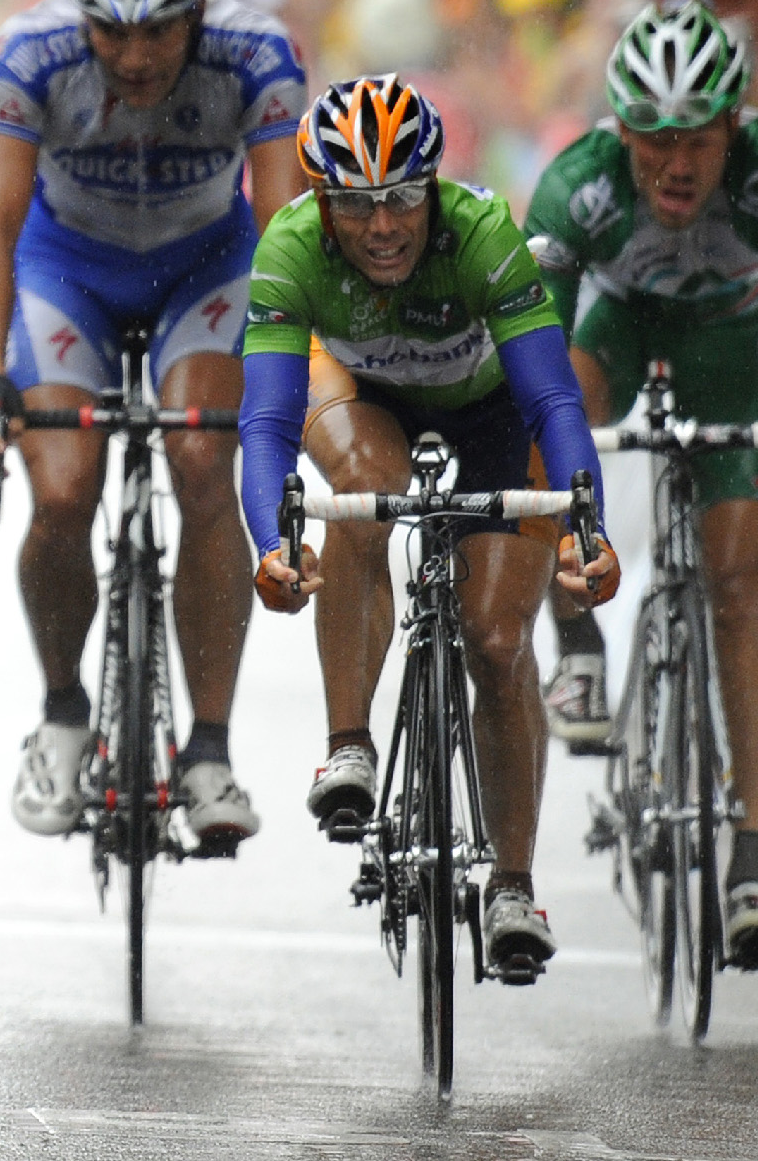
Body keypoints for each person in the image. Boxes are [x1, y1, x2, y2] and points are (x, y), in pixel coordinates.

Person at [241, 74, 621, 982]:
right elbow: (265, 424)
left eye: (403, 197)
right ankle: (349, 748)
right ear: (319, 201)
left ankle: (515, 885)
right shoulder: (290, 248)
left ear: (433, 187)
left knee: (496, 639)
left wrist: (585, 525)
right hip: (369, 402)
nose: (382, 225)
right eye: (357, 203)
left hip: (494, 410)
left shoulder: (484, 234)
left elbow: (554, 400)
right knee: (363, 489)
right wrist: (272, 541)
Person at [0, 0, 309, 850]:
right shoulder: (28, 54)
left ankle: (207, 749)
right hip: (66, 266)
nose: (136, 54)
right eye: (112, 32)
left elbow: (288, 226)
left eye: (159, 30)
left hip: (208, 262)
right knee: (63, 489)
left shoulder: (258, 53)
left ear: (199, 10)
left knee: (205, 465)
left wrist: (283, 388)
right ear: (82, 15)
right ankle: (66, 715)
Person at [525, 0, 758, 970]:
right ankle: (581, 643)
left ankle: (751, 870)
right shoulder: (578, 187)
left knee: (737, 593)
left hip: (735, 343)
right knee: (546, 424)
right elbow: (539, 365)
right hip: (622, 328)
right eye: (655, 138)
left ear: (734, 127)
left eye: (699, 139)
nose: (677, 164)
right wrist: (566, 505)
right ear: (622, 130)